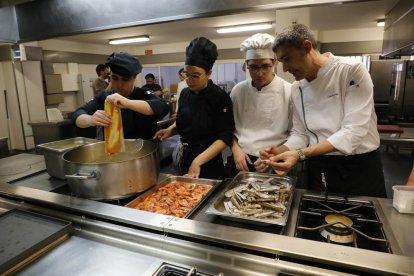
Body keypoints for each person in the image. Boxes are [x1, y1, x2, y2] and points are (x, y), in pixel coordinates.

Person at [257, 24, 386, 198]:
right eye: (281, 62)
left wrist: (301, 153)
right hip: (319, 164)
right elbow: (301, 134)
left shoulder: (349, 70)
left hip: (358, 166)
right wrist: (281, 151)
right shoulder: (297, 88)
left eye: (287, 59)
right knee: (317, 217)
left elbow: (353, 132)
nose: (285, 69)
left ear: (307, 47)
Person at [154, 37, 235, 180]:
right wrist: (170, 130)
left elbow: (225, 137)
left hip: (208, 158)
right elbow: (185, 122)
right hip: (185, 154)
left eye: (195, 76)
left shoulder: (219, 97)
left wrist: (198, 161)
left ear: (209, 73)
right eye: (187, 74)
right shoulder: (185, 93)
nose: (189, 80)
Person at [228, 33, 292, 177]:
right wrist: (235, 149)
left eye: (265, 66)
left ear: (274, 62)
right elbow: (228, 127)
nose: (259, 73)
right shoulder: (238, 91)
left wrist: (276, 155)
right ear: (246, 65)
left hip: (274, 159)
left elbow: (296, 133)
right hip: (241, 159)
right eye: (253, 67)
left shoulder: (289, 91)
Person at [72, 52, 169, 140]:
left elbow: (162, 107)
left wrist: (127, 103)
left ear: (134, 78)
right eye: (115, 78)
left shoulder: (143, 94)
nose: (119, 84)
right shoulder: (105, 96)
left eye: (125, 79)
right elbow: (77, 115)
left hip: (143, 154)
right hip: (113, 155)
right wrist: (90, 119)